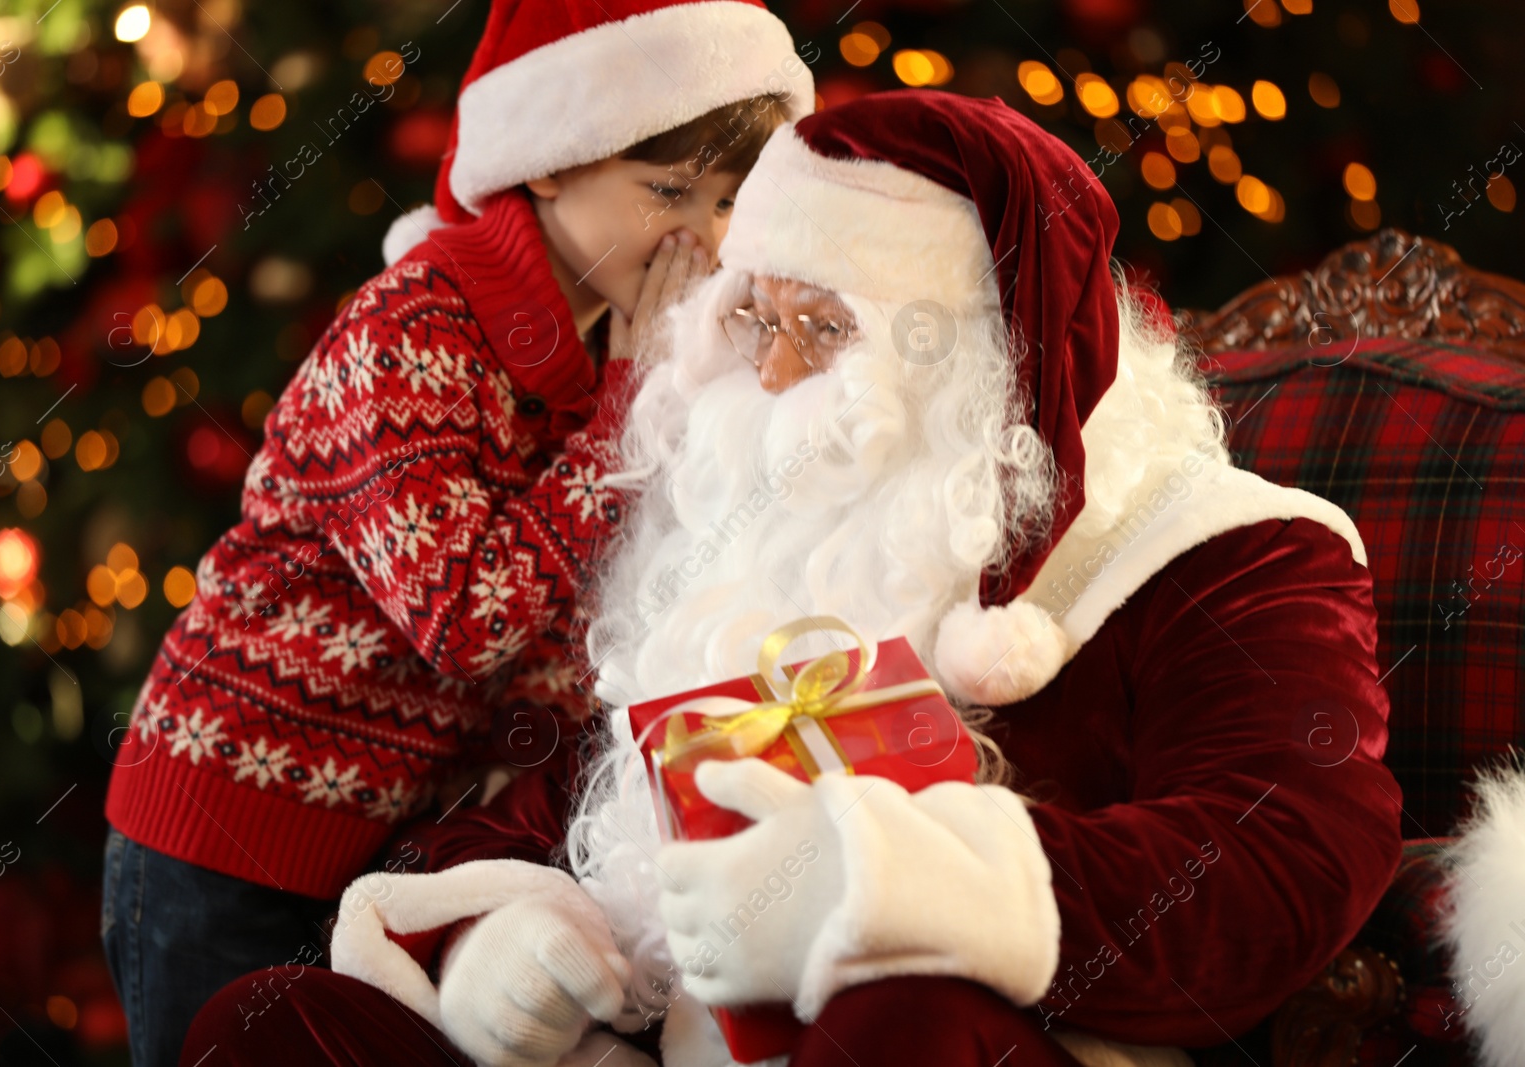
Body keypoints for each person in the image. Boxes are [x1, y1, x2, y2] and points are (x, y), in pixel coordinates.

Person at [184, 90, 1404, 1067]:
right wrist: (503, 934)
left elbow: (1286, 850)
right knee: (266, 1022)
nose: (765, 377)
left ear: (978, 351)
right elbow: (557, 801)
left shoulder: (1218, 551)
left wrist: (895, 885)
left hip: (983, 1038)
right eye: (747, 316)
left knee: (899, 1026)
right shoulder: (743, 540)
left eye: (820, 329)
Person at [99, 0, 813, 1062]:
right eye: (665, 190)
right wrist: (626, 409)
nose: (699, 238)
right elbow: (466, 616)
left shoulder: (616, 351)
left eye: (722, 202)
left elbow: (569, 641)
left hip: (384, 853)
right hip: (229, 838)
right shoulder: (414, 327)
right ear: (551, 163)